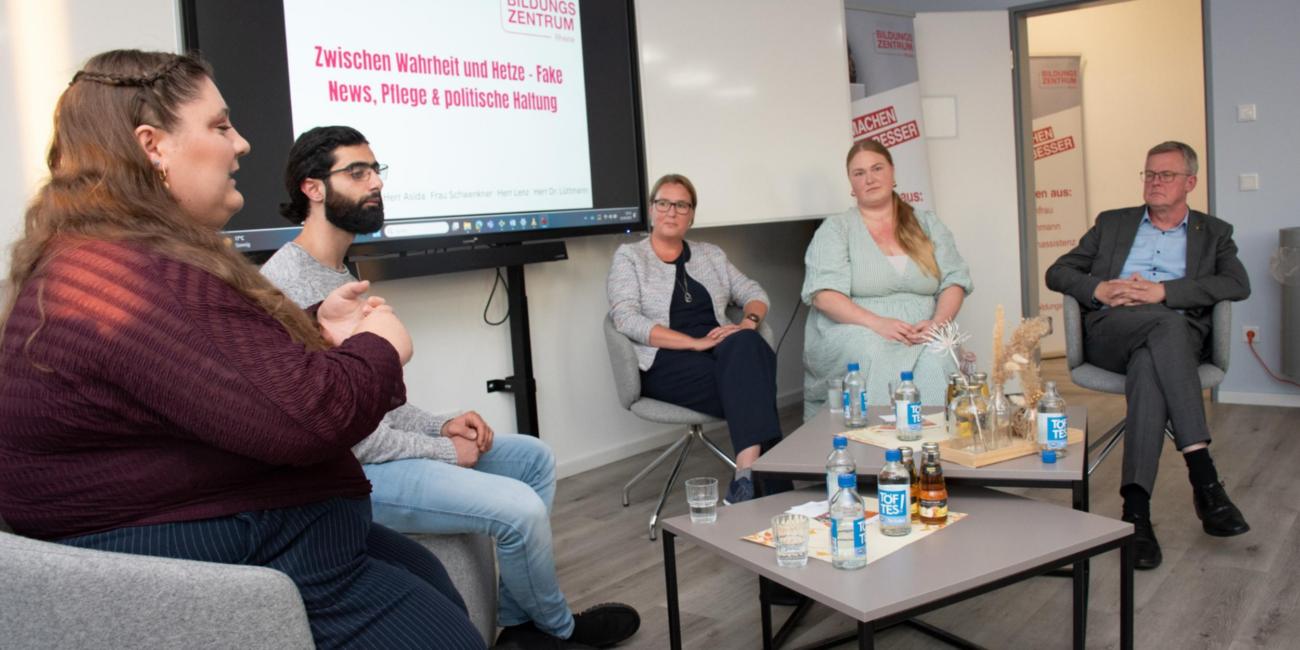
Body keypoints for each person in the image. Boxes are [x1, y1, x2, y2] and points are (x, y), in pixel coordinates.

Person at [0, 50, 485, 648]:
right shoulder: (132, 277)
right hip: (210, 553)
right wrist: (375, 348)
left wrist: (315, 324)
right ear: (153, 145)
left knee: (429, 575)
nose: (243, 144)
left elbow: (207, 362)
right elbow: (305, 419)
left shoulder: (105, 257)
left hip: (249, 523)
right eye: (221, 125)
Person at [261, 126, 640, 650]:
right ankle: (561, 631)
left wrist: (440, 423)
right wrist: (445, 448)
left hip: (385, 451)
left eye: (376, 171)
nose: (375, 183)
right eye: (357, 172)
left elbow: (378, 400)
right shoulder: (288, 281)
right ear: (313, 188)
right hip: (355, 473)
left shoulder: (336, 268)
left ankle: (517, 624)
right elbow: (347, 432)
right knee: (520, 509)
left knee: (532, 459)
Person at [1046, 141, 1251, 570]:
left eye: (1166, 175)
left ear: (1190, 182)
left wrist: (1165, 293)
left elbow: (1237, 283)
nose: (1155, 183)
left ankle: (1135, 515)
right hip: (1112, 330)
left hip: (1173, 334)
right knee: (1165, 326)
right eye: (1150, 174)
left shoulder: (1214, 232)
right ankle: (1204, 476)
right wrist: (1098, 289)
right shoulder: (1113, 223)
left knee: (1154, 351)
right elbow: (1059, 271)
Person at [606, 173, 785, 504]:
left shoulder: (710, 255)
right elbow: (626, 318)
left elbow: (754, 292)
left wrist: (747, 322)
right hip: (663, 360)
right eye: (663, 203)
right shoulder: (630, 257)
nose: (671, 211)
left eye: (681, 205)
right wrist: (693, 343)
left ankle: (745, 476)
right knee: (753, 383)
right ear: (651, 209)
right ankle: (769, 482)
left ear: (691, 215)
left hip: (720, 352)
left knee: (748, 342)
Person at [801, 139, 973, 420]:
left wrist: (937, 325)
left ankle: (930, 445)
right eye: (859, 173)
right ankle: (877, 445)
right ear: (851, 184)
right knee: (874, 351)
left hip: (923, 327)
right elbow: (824, 295)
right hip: (857, 327)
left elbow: (954, 280)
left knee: (939, 355)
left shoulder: (928, 223)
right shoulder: (836, 228)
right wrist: (879, 324)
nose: (869, 178)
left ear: (892, 173)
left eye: (877, 168)